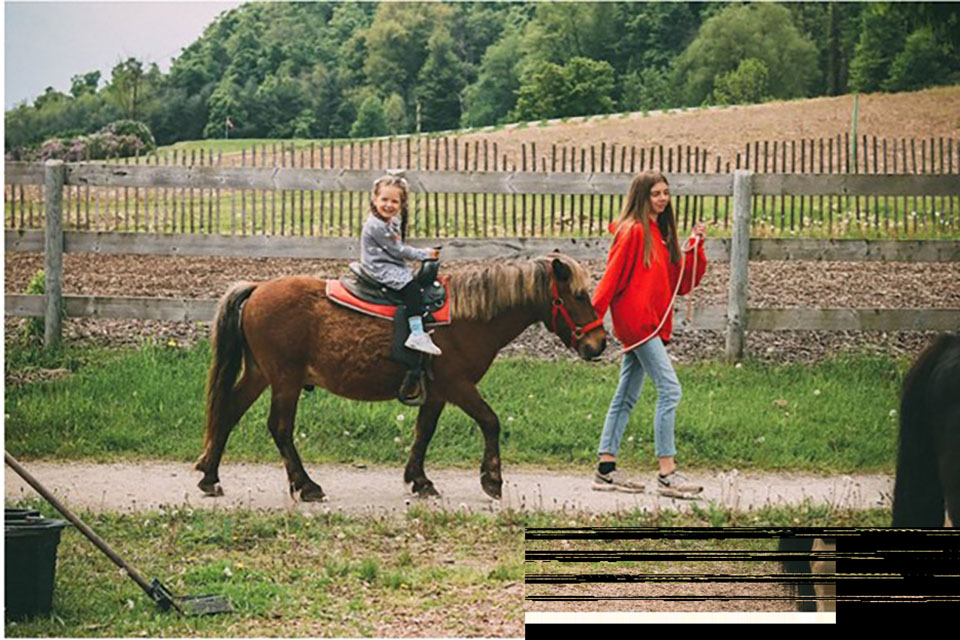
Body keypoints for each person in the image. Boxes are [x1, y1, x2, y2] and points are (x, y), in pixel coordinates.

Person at [590, 171, 707, 497]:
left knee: (626, 395)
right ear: (642, 196)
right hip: (639, 325)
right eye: (656, 193)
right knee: (670, 390)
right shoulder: (633, 232)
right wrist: (591, 322)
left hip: (650, 323)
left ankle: (606, 469)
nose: (663, 198)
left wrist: (695, 250)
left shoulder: (661, 235)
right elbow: (610, 280)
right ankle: (667, 473)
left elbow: (681, 284)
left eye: (666, 192)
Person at [361, 174, 442, 356]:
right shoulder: (377, 226)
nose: (389, 205)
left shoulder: (391, 221)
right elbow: (398, 250)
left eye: (394, 201)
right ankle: (416, 333)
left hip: (389, 261)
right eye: (384, 199)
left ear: (402, 203)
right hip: (380, 266)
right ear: (374, 199)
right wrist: (425, 254)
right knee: (412, 289)